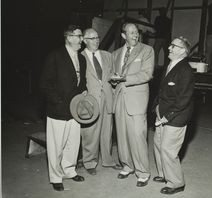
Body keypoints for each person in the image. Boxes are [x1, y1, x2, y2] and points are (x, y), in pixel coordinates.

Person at [40, 25, 87, 191]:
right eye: (79, 36)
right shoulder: (55, 56)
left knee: (73, 143)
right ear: (69, 37)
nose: (82, 39)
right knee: (56, 145)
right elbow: (45, 84)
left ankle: (69, 170)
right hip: (58, 110)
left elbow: (82, 82)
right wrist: (58, 101)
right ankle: (55, 177)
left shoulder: (81, 58)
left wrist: (84, 93)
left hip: (75, 110)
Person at [110, 23, 154, 187]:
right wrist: (113, 79)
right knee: (121, 135)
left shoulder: (147, 50)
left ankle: (142, 172)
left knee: (137, 135)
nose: (136, 35)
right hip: (119, 98)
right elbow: (113, 75)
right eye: (132, 33)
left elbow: (147, 74)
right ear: (123, 36)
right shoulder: (115, 54)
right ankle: (127, 165)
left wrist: (123, 79)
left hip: (136, 99)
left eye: (137, 32)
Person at [153, 36, 194, 195]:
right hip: (162, 112)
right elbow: (162, 89)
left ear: (183, 51)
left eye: (174, 46)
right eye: (170, 45)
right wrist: (156, 107)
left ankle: (177, 183)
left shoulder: (186, 71)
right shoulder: (171, 65)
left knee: (168, 149)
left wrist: (167, 116)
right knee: (158, 144)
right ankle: (164, 174)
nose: (169, 48)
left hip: (175, 116)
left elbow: (184, 99)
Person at [80, 28, 122, 175]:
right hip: (90, 100)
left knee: (107, 131)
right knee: (90, 132)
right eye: (92, 38)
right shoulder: (80, 57)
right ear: (84, 40)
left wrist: (115, 80)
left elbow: (111, 75)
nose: (96, 40)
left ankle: (108, 160)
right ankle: (90, 162)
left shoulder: (107, 55)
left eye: (97, 37)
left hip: (107, 98)